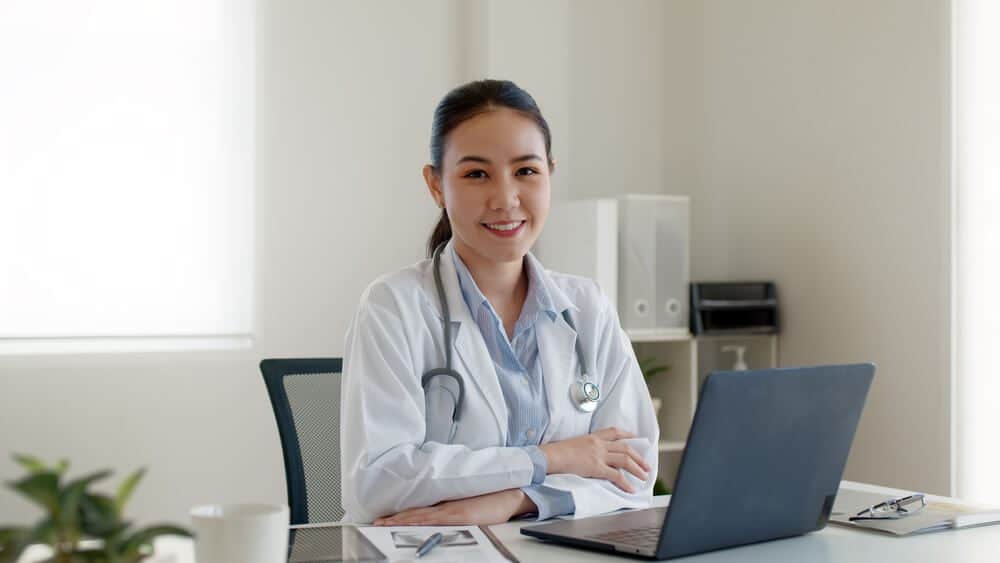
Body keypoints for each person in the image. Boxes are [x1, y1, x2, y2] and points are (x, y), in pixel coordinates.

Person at [340, 79, 658, 525]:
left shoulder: (587, 307)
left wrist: (511, 501)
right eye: (476, 174)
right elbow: (381, 481)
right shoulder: (393, 307)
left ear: (550, 173)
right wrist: (551, 459)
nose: (506, 199)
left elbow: (634, 470)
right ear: (436, 186)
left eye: (526, 171)